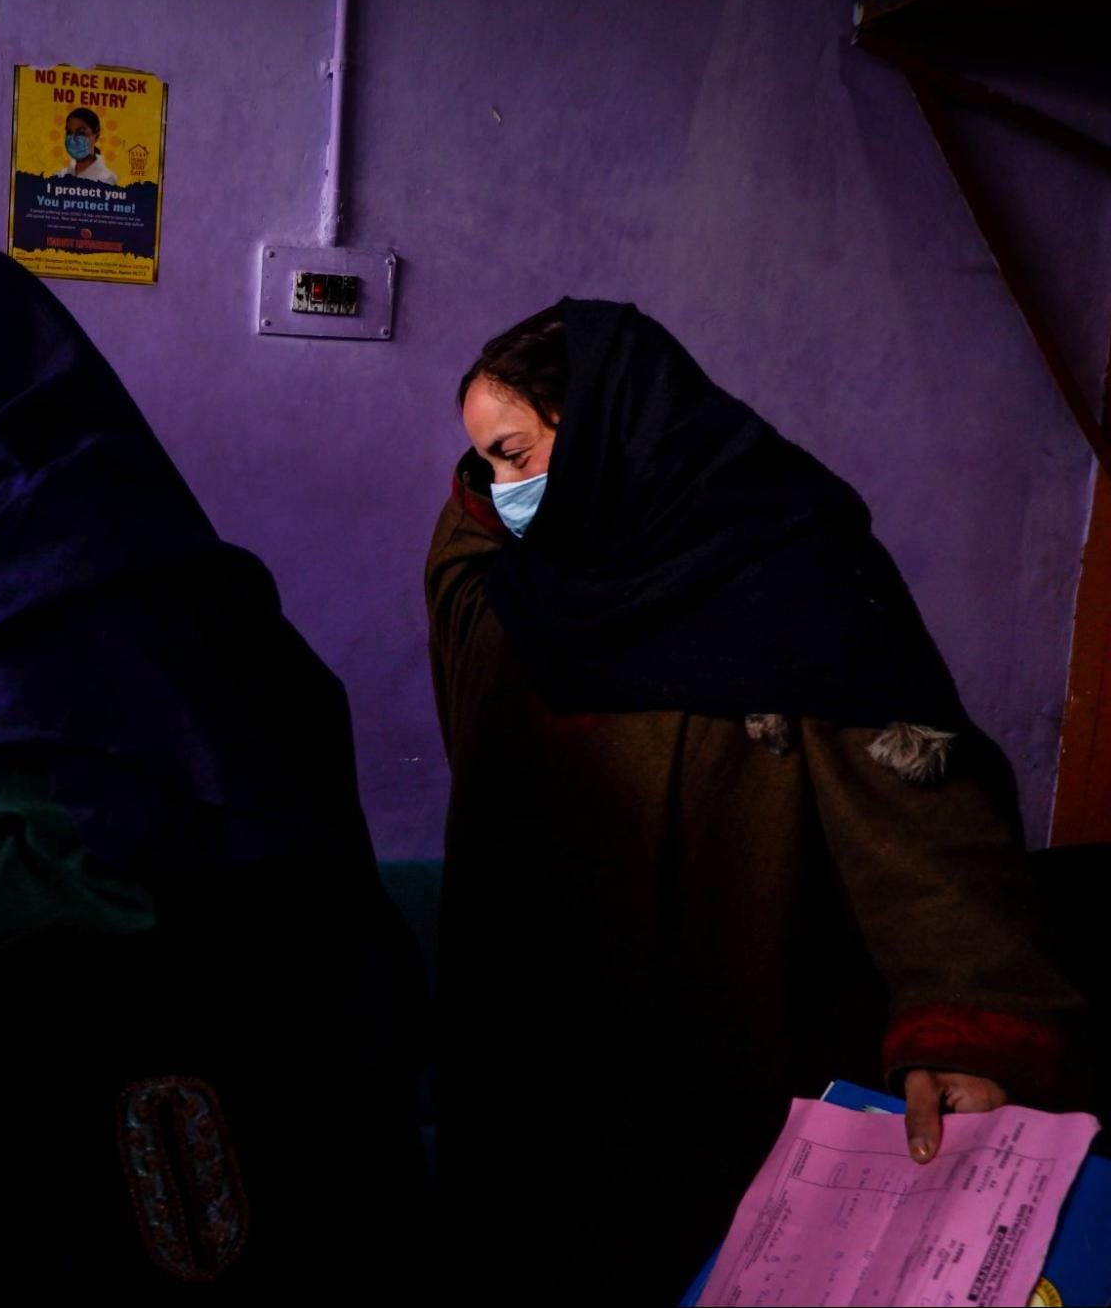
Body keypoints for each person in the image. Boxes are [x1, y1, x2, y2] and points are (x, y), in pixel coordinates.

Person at [0, 234, 429, 1303]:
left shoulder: (64, 601)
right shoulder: (60, 542)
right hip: (143, 1058)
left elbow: (99, 874)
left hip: (161, 1103)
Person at [426, 298, 1088, 1300]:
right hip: (538, 1043)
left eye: (515, 455)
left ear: (609, 429)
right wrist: (492, 475)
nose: (503, 490)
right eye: (485, 467)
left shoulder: (792, 579)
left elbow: (924, 835)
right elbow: (463, 566)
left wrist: (967, 1025)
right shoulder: (527, 590)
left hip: (721, 1049)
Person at [58, 107, 118, 184]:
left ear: (96, 136)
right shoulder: (60, 176)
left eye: (81, 133)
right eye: (69, 132)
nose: (72, 139)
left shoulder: (107, 180)